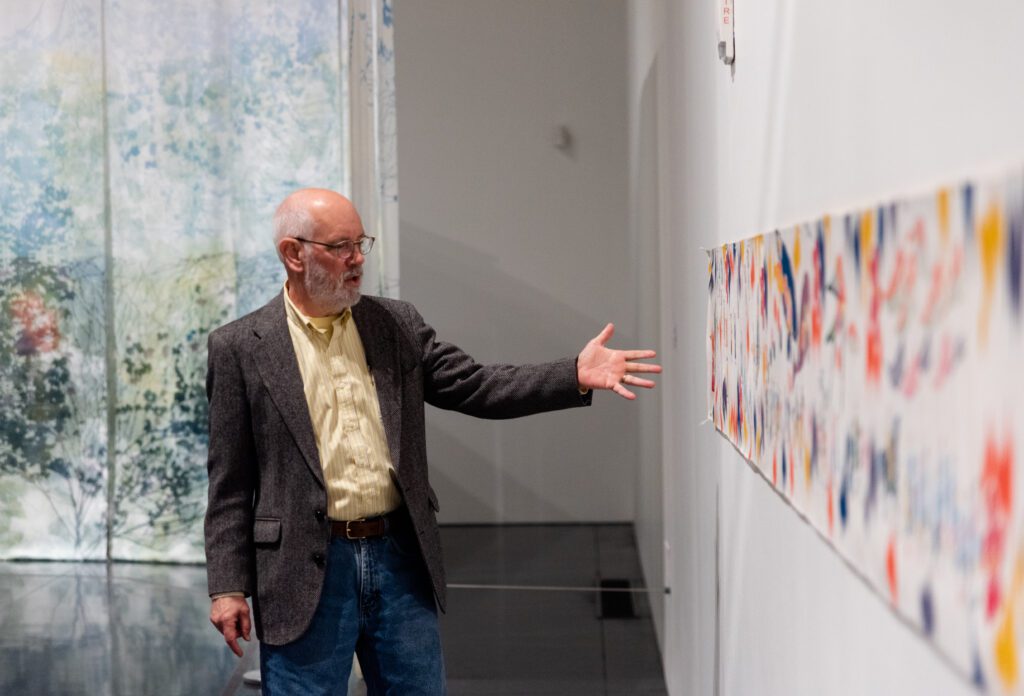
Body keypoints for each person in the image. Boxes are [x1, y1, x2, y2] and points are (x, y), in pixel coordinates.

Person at [205, 188, 661, 695]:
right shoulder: (239, 348)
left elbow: (479, 385)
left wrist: (572, 373)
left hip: (399, 558)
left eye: (361, 244)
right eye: (340, 247)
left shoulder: (395, 325)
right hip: (303, 570)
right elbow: (229, 484)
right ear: (293, 254)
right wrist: (227, 586)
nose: (357, 260)